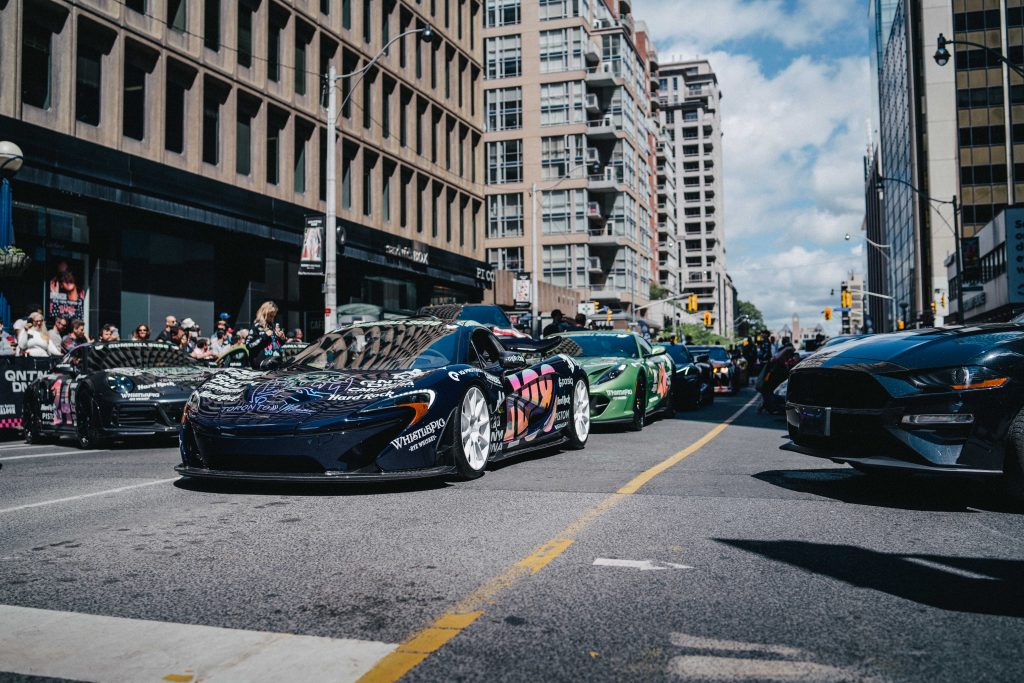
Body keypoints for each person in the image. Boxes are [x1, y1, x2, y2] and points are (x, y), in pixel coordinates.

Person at [246, 301, 285, 368]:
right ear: (264, 313)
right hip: (261, 367)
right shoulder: (256, 326)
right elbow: (249, 345)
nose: (272, 318)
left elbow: (277, 345)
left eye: (274, 316)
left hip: (275, 365)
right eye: (270, 315)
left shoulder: (273, 327)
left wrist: (282, 339)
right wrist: (264, 336)